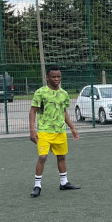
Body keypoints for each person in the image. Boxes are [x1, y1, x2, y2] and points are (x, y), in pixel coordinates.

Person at [29, 66, 81, 197]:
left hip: (60, 131)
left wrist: (72, 128)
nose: (56, 79)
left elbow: (64, 112)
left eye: (58, 76)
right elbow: (33, 111)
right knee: (42, 156)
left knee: (62, 156)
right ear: (47, 77)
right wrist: (32, 130)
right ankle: (37, 186)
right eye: (53, 76)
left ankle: (64, 183)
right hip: (44, 131)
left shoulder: (64, 93)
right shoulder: (40, 92)